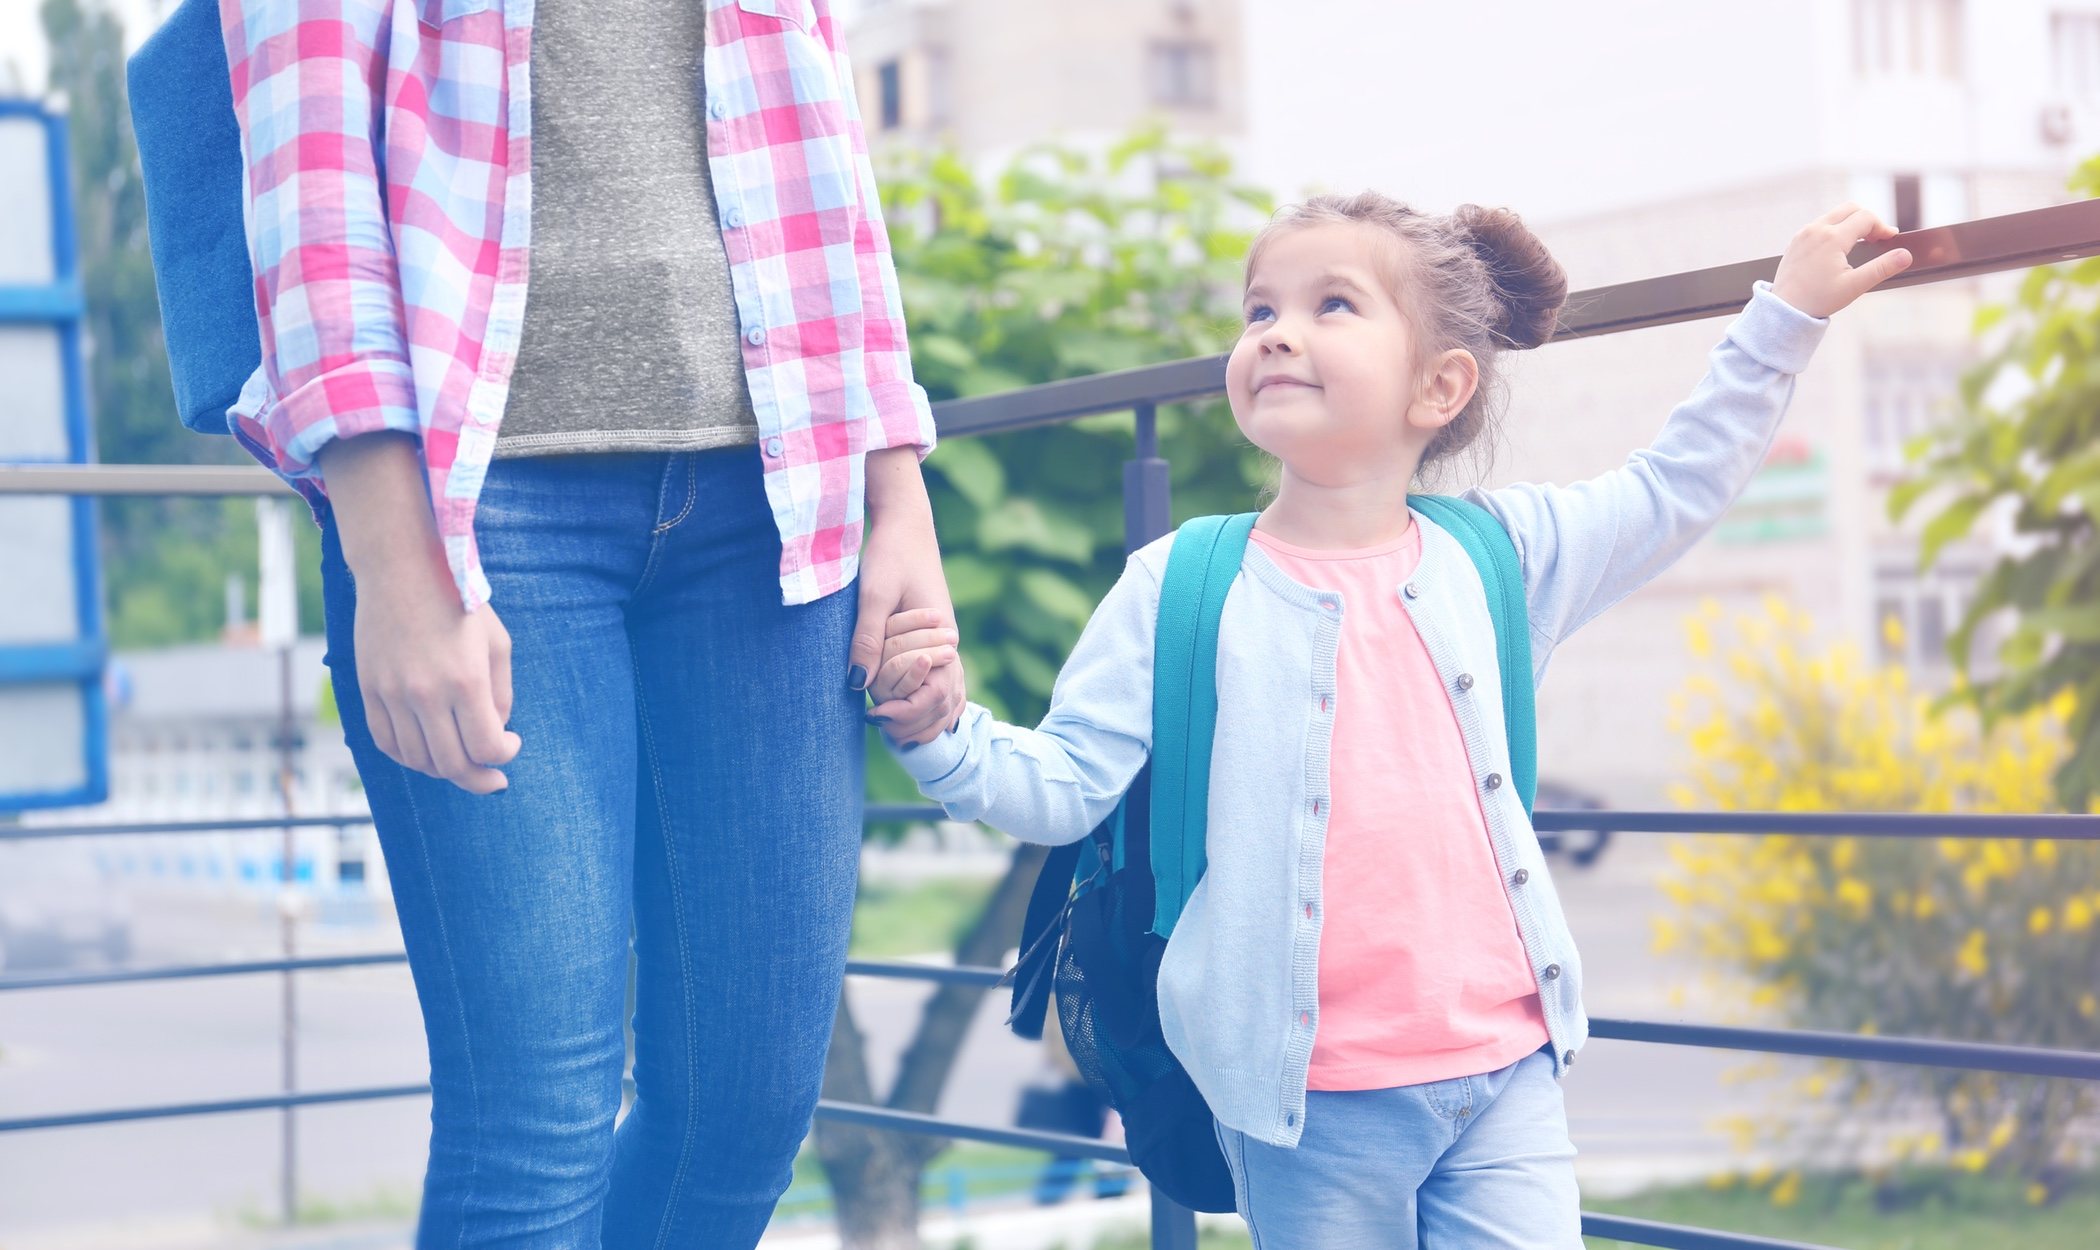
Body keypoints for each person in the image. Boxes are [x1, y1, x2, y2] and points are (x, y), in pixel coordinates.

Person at [869, 193, 1910, 1246]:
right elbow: (1064, 786)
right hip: (1303, 1106)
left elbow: (1674, 484)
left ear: (1440, 384)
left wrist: (1788, 315)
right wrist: (940, 733)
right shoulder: (1180, 582)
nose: (1275, 330)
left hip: (1506, 1073)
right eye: (1257, 308)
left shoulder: (1502, 552)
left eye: (1332, 304)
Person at [206, 1, 963, 1245]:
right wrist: (394, 561)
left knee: (747, 1111)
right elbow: (310, 173)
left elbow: (821, 144)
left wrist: (899, 485)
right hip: (485, 508)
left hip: (778, 496)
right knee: (532, 1132)